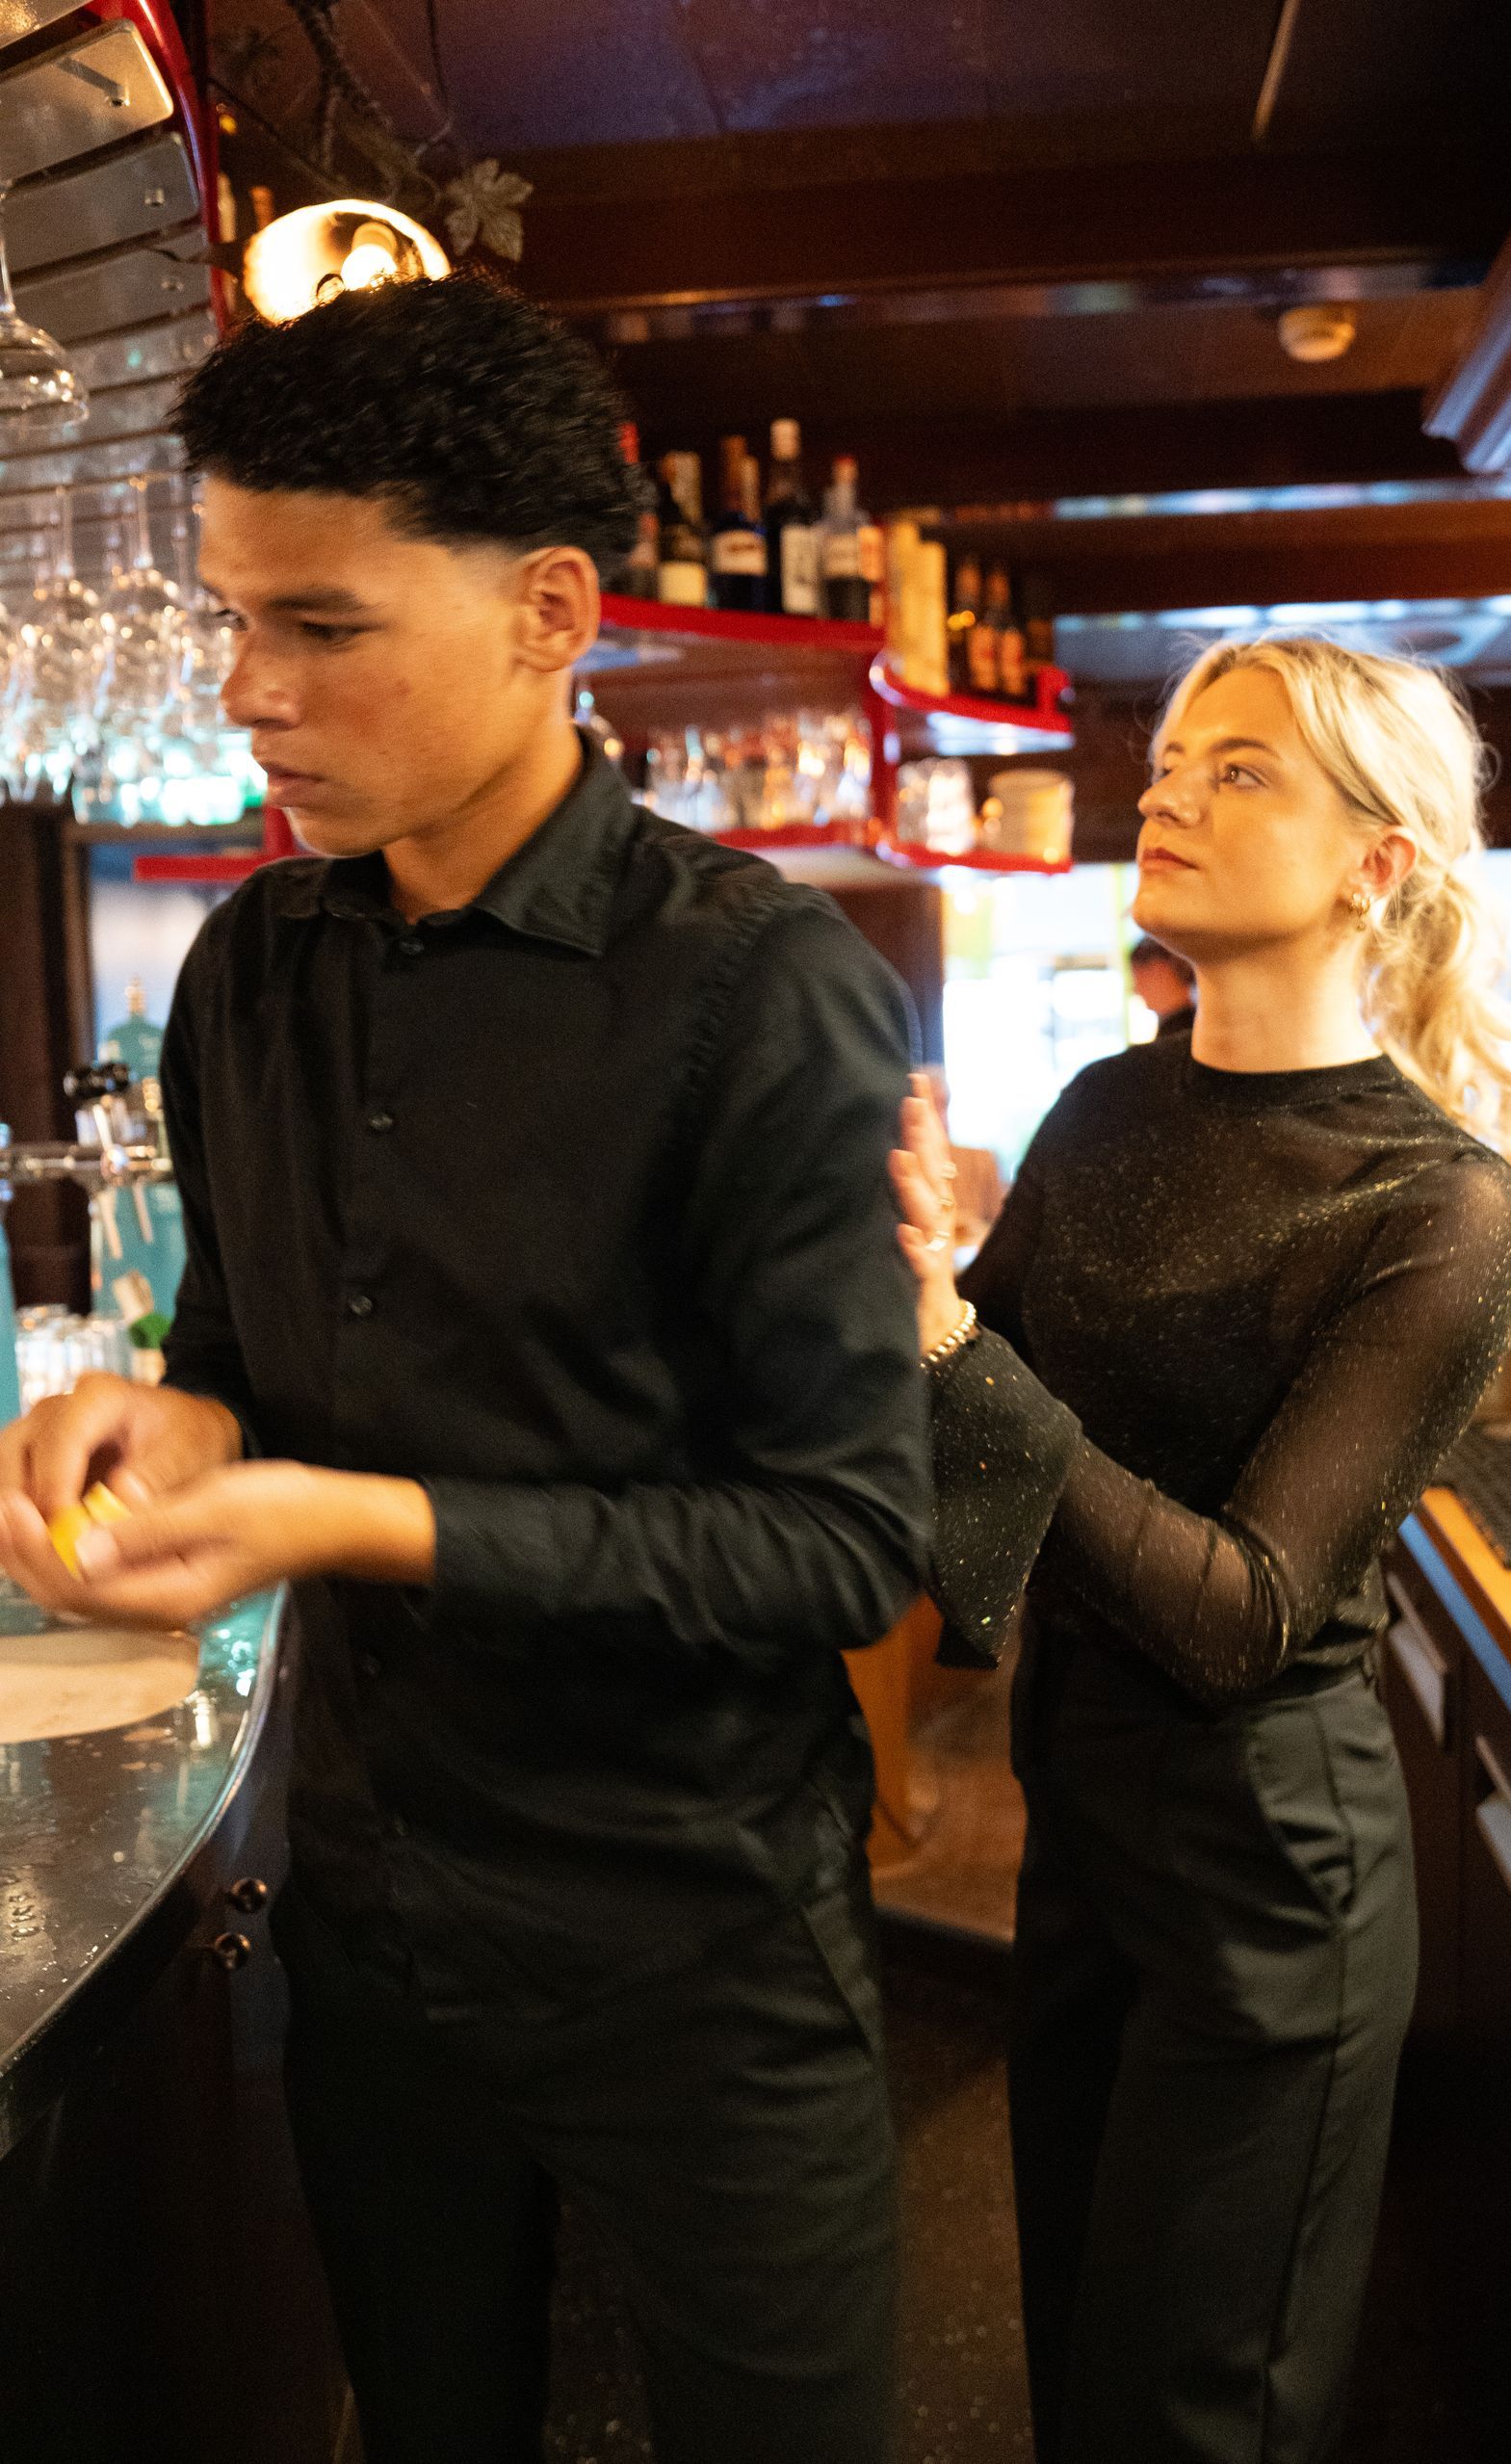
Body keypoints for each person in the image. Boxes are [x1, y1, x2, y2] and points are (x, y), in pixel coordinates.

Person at [0, 274, 928, 2464]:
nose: (248, 688)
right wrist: (163, 1422)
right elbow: (237, 1353)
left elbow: (842, 1539)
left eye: (321, 625)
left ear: (549, 614)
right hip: (380, 1911)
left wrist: (349, 1518)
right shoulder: (250, 965)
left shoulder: (755, 984)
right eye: (234, 618)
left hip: (699, 1936)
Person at [890, 636, 1511, 2464]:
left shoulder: (1438, 1201)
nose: (1166, 790)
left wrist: (942, 1341)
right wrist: (885, 1292)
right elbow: (971, 1449)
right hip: (1078, 1834)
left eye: (1237, 768)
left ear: (1375, 861)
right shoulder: (1108, 1105)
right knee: (1081, 2372)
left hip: (1267, 1881)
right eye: (1171, 757)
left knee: (1199, 2416)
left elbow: (1242, 1616)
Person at [1128, 931, 1196, 1036]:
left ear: (1159, 969)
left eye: (1138, 977)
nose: (1135, 990)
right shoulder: (1198, 1023)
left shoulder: (1180, 1034)